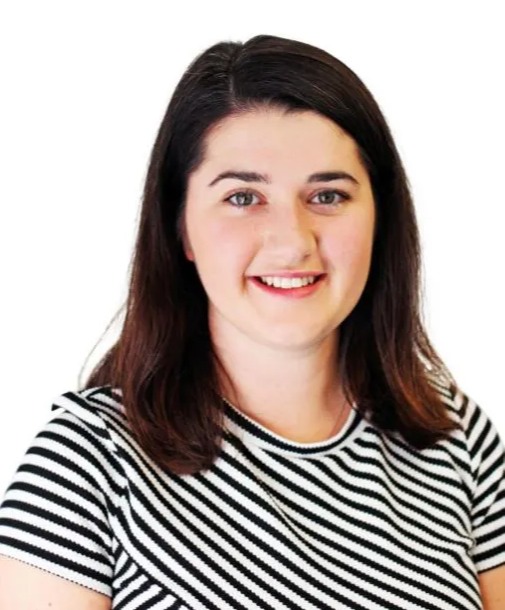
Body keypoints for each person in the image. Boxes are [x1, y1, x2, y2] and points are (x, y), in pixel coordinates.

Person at [0, 33, 503, 610]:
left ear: (381, 218)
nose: (292, 242)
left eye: (329, 196)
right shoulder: (86, 464)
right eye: (243, 197)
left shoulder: (454, 436)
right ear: (180, 227)